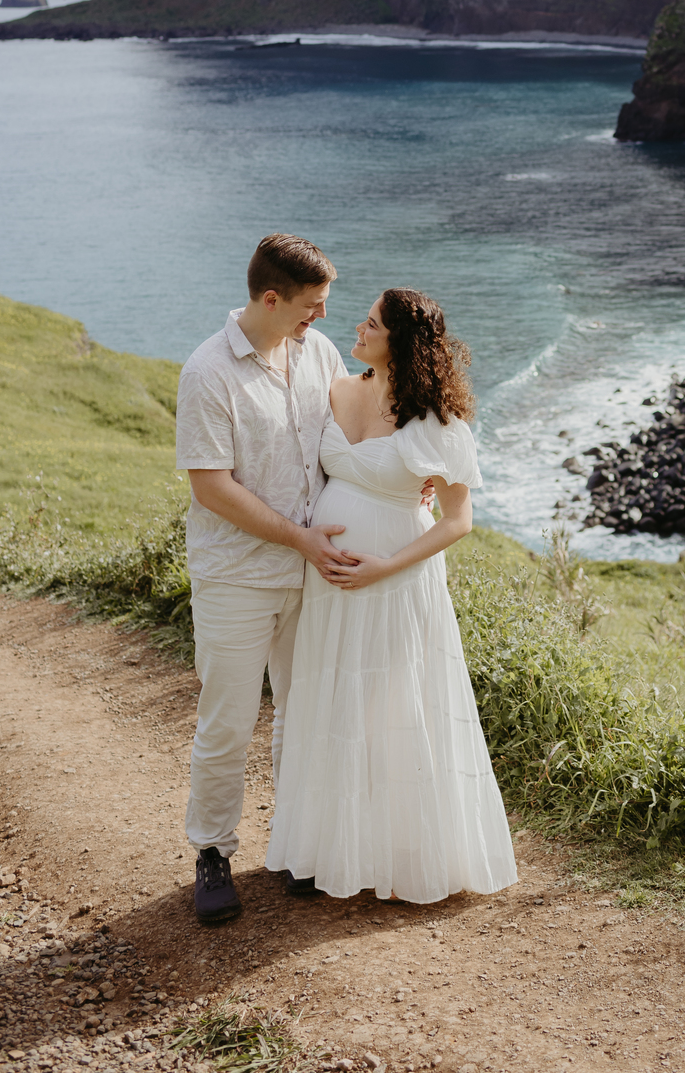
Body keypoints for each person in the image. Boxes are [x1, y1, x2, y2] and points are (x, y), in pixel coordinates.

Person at [267, 288, 518, 904]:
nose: (358, 325)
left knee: (392, 704)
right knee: (326, 698)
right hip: (327, 579)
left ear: (398, 341)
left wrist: (384, 568)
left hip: (396, 578)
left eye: (371, 322)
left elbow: (457, 521)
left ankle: (405, 851)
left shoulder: (438, 424)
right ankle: (321, 850)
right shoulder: (334, 389)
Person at [176, 232, 358, 925]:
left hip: (311, 574)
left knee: (301, 715)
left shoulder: (319, 353)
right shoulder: (209, 371)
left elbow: (343, 444)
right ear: (272, 298)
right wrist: (299, 539)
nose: (321, 317)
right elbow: (211, 488)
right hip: (237, 577)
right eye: (312, 305)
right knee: (227, 723)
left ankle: (293, 843)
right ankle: (213, 853)